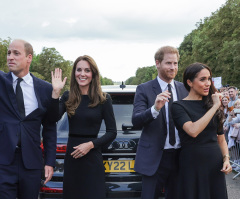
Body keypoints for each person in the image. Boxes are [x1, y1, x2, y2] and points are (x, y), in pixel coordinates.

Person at [50, 55, 117, 199]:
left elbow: (112, 132)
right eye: (79, 70)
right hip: (72, 159)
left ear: (93, 74)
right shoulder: (68, 96)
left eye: (87, 70)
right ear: (74, 73)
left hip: (93, 158)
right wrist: (56, 92)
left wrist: (90, 145)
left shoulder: (104, 99)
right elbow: (52, 118)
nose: (82, 74)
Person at [0, 39, 57, 199]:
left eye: (16, 53)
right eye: (8, 53)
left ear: (29, 58)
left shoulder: (45, 89)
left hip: (32, 163)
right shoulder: (1, 82)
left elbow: (50, 128)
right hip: (3, 163)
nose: (10, 57)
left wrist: (50, 162)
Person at [132, 46, 188, 199]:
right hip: (155, 159)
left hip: (180, 158)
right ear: (157, 63)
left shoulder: (184, 89)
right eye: (168, 63)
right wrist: (155, 109)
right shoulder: (144, 89)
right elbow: (136, 120)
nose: (173, 67)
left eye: (175, 63)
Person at [172, 62, 232, 199]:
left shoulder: (211, 105)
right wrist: (215, 106)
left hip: (214, 165)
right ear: (190, 82)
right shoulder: (178, 106)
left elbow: (221, 139)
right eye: (202, 79)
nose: (208, 83)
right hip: (191, 165)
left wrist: (226, 159)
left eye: (209, 79)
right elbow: (193, 131)